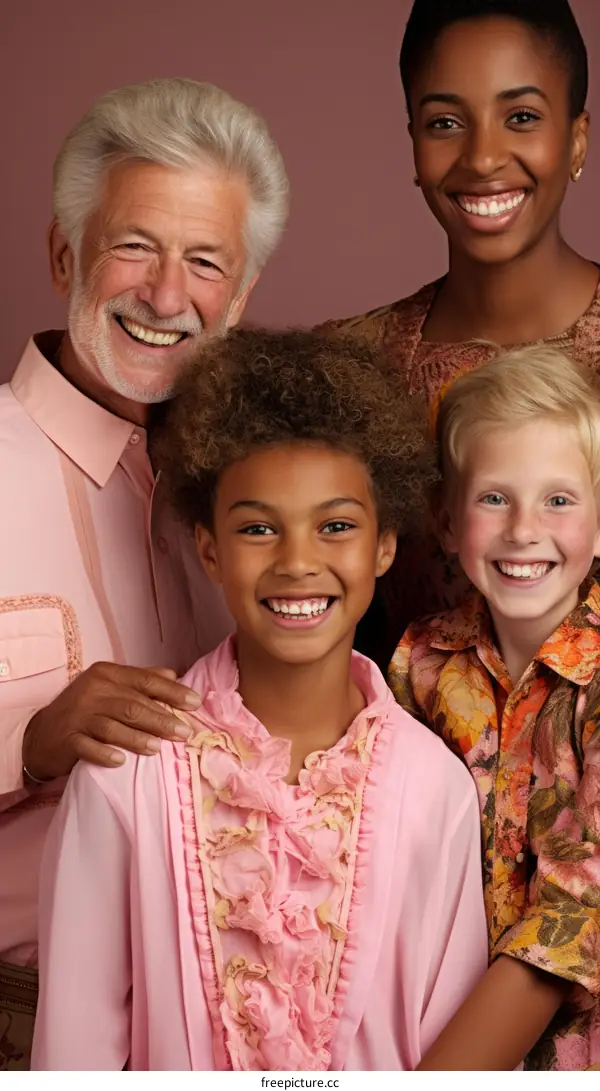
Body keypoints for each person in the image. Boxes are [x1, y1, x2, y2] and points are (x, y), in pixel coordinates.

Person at [31, 329, 487, 1071]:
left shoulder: (436, 789)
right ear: (209, 547)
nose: (298, 560)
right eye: (257, 528)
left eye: (335, 525)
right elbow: (72, 1056)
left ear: (384, 545)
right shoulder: (126, 773)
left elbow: (446, 1042)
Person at [0, 78, 288, 1070]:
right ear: (63, 252)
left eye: (205, 261)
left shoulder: (247, 509)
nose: (167, 295)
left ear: (240, 298)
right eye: (136, 246)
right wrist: (30, 742)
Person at [321, 0, 599, 671]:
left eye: (522, 117)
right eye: (446, 122)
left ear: (577, 141)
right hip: (402, 761)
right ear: (413, 144)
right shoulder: (351, 366)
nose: (481, 156)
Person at [390, 345, 600, 1070]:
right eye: (493, 497)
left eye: (560, 499)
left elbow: (578, 912)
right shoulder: (419, 664)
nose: (522, 528)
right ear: (447, 523)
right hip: (424, 1018)